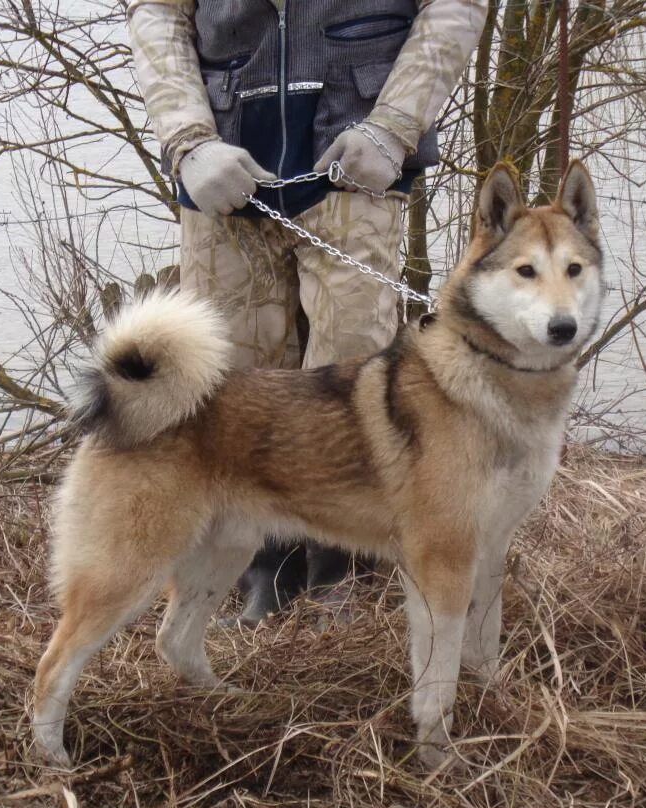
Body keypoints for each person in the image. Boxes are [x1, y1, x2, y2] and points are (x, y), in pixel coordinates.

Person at [127, 0, 484, 625]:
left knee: (353, 375)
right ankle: (263, 571)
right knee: (230, 384)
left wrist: (394, 126)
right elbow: (156, 13)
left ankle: (340, 571)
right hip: (225, 165)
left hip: (355, 155)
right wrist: (187, 141)